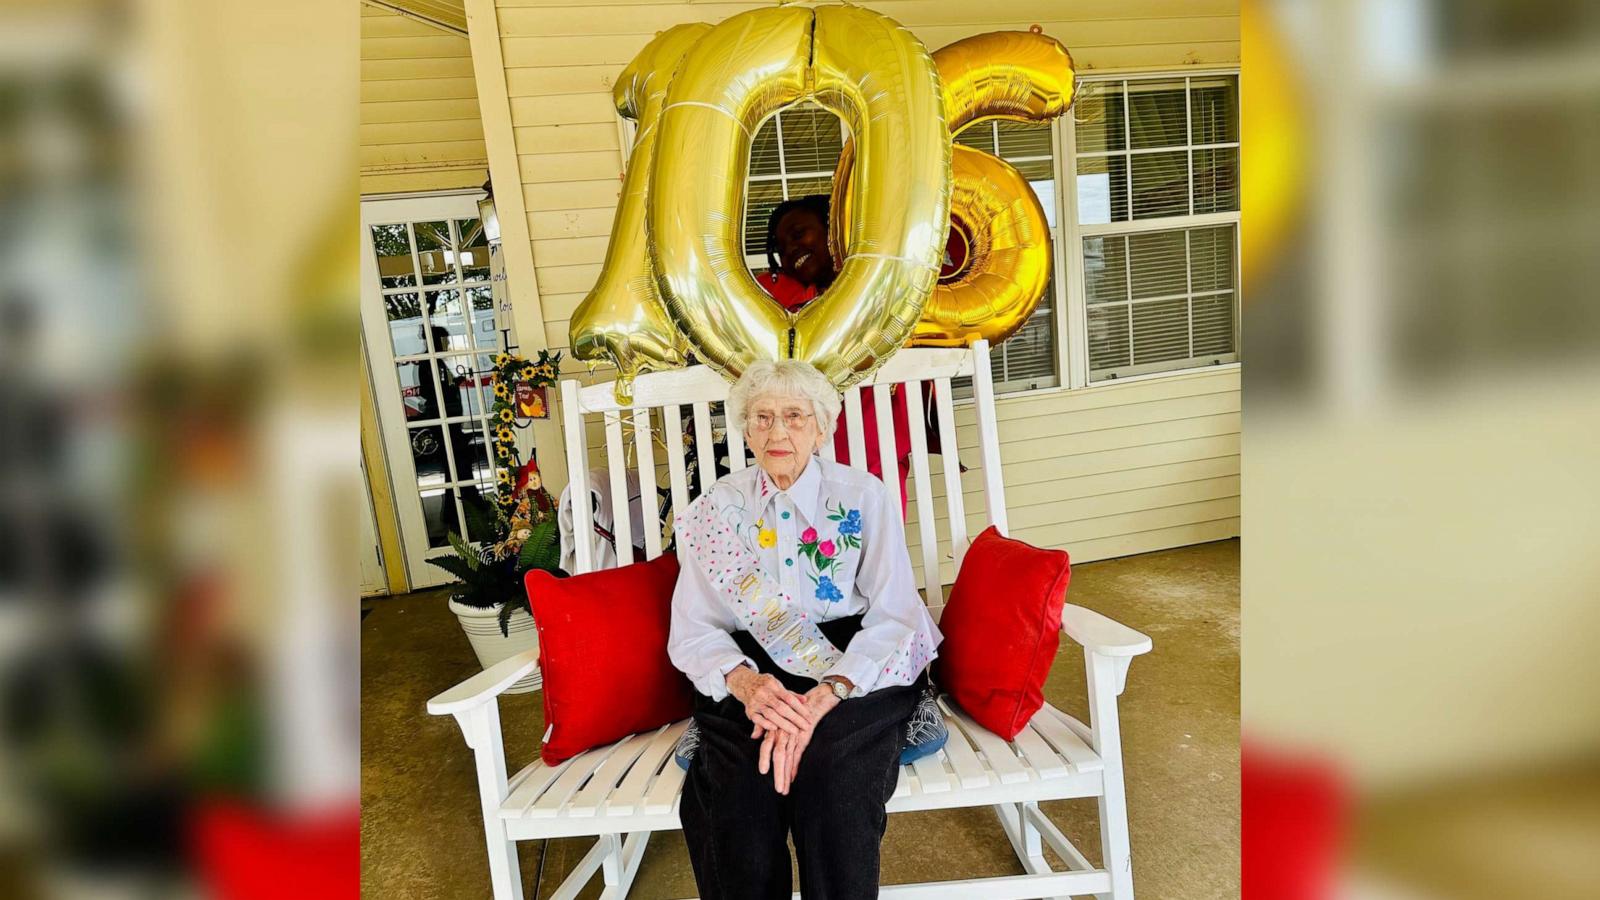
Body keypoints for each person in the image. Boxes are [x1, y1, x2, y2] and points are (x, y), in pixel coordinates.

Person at [668, 359, 942, 900]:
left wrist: (832, 690)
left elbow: (896, 615)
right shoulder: (716, 511)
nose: (778, 432)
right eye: (763, 418)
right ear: (745, 431)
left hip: (855, 661)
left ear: (821, 429)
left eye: (795, 417)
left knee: (835, 782)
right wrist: (747, 686)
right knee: (738, 795)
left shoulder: (863, 497)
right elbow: (694, 629)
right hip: (748, 669)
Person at [760, 196, 950, 515]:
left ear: (833, 230)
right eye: (780, 247)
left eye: (798, 234)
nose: (789, 251)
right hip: (812, 466)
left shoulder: (882, 293)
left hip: (881, 457)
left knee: (881, 553)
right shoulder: (789, 310)